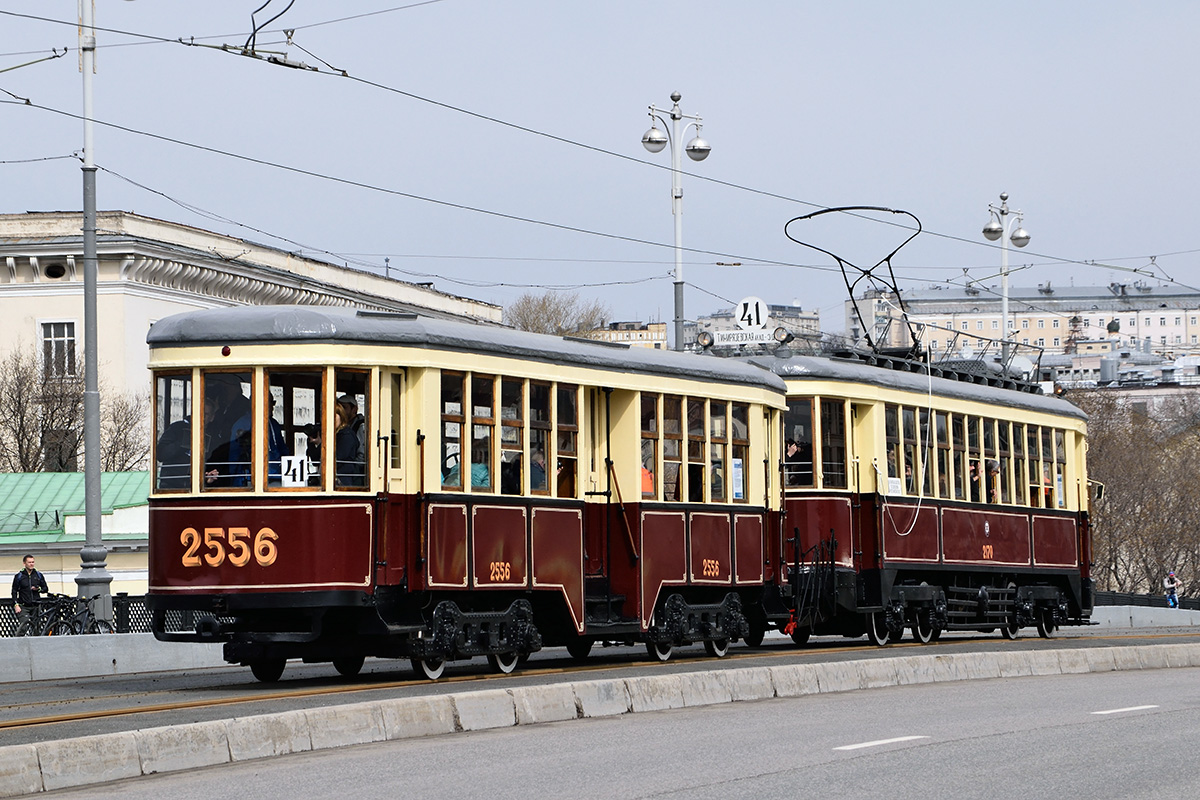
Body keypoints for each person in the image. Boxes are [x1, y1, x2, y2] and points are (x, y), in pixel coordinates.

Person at [12, 554, 49, 631]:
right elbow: (14, 591)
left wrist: (38, 589)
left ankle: (36, 642)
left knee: (36, 628)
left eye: (33, 562)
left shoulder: (38, 575)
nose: (31, 564)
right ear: (24, 563)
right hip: (24, 606)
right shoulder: (19, 576)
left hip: (36, 606)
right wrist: (16, 605)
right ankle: (17, 642)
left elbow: (45, 589)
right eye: (29, 562)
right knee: (23, 627)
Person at [155, 414, 192, 489]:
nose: (203, 417)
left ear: (212, 417)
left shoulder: (214, 433)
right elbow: (161, 454)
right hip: (172, 485)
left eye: (206, 414)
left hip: (200, 485)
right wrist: (183, 442)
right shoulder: (177, 428)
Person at [333, 403, 365, 487]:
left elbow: (339, 457)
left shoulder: (346, 435)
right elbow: (315, 457)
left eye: (334, 416)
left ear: (341, 416)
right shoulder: (332, 434)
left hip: (343, 481)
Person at [337, 394, 366, 462]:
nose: (342, 411)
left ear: (354, 409)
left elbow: (362, 453)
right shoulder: (343, 426)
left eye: (344, 407)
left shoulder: (361, 425)